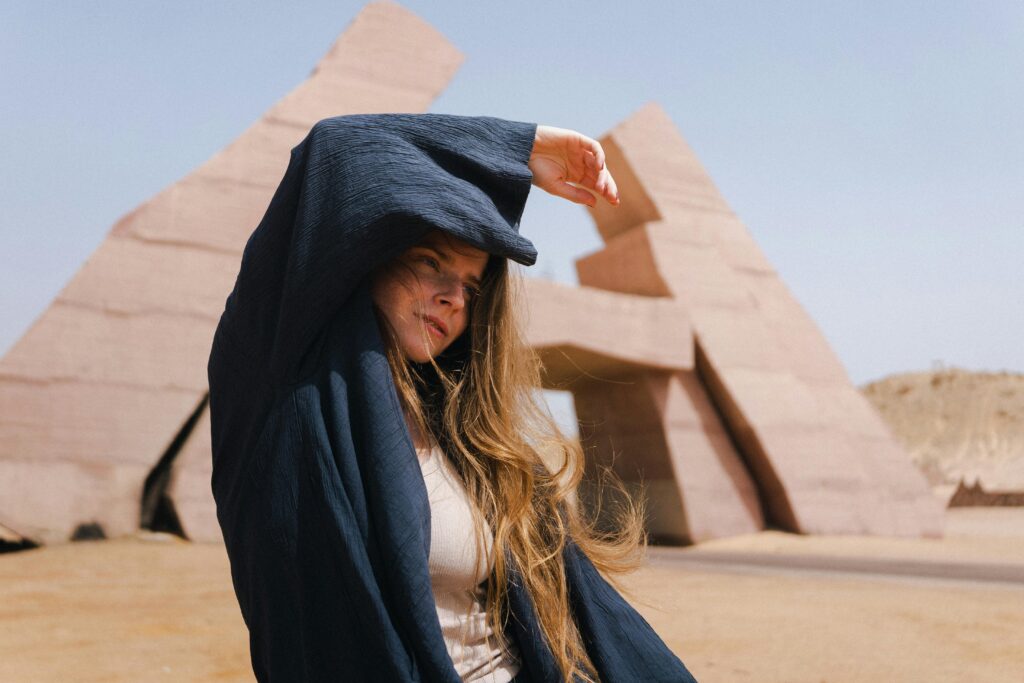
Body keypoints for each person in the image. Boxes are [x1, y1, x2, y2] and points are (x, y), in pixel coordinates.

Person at [207, 112, 697, 683]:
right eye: (430, 263)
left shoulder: (468, 440)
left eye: (469, 286)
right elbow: (336, 151)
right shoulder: (288, 389)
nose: (452, 299)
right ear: (368, 257)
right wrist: (520, 151)